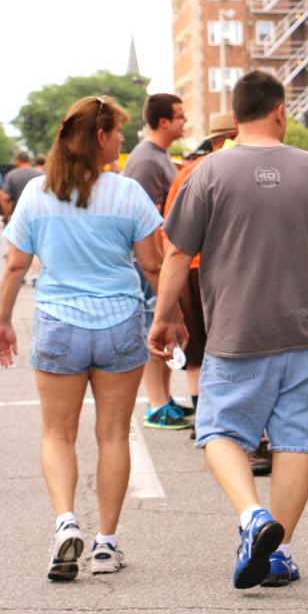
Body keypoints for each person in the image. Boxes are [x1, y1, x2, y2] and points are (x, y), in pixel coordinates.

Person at [148, 71, 308, 589]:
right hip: (307, 333)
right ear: (281, 112)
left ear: (234, 116)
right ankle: (280, 554)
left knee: (218, 431)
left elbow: (178, 254)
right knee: (296, 441)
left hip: (236, 334)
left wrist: (165, 318)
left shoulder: (207, 172)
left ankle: (252, 516)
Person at [0, 96, 164, 580]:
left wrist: (2, 322)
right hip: (118, 324)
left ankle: (66, 521)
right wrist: (172, 315)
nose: (123, 141)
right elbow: (152, 263)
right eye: (117, 133)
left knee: (56, 433)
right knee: (113, 434)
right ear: (99, 138)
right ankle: (106, 544)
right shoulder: (127, 194)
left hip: (59, 324)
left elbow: (16, 267)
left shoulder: (38, 195)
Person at [161, 112, 238, 438]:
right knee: (229, 349)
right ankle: (229, 418)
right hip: (227, 269)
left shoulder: (188, 172)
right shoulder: (235, 169)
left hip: (190, 267)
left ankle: (202, 417)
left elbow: (171, 229)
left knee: (196, 351)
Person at [123, 93, 190, 430]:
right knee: (156, 326)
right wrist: (159, 263)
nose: (185, 122)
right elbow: (145, 223)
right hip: (150, 259)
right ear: (163, 121)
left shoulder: (158, 156)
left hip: (161, 257)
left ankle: (164, 398)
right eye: (180, 116)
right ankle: (157, 404)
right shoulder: (147, 160)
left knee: (164, 330)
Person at [0, 150, 39, 220]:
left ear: (18, 160)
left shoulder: (11, 175)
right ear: (29, 161)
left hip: (18, 215)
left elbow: (5, 197)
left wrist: (6, 215)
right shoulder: (40, 174)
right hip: (38, 214)